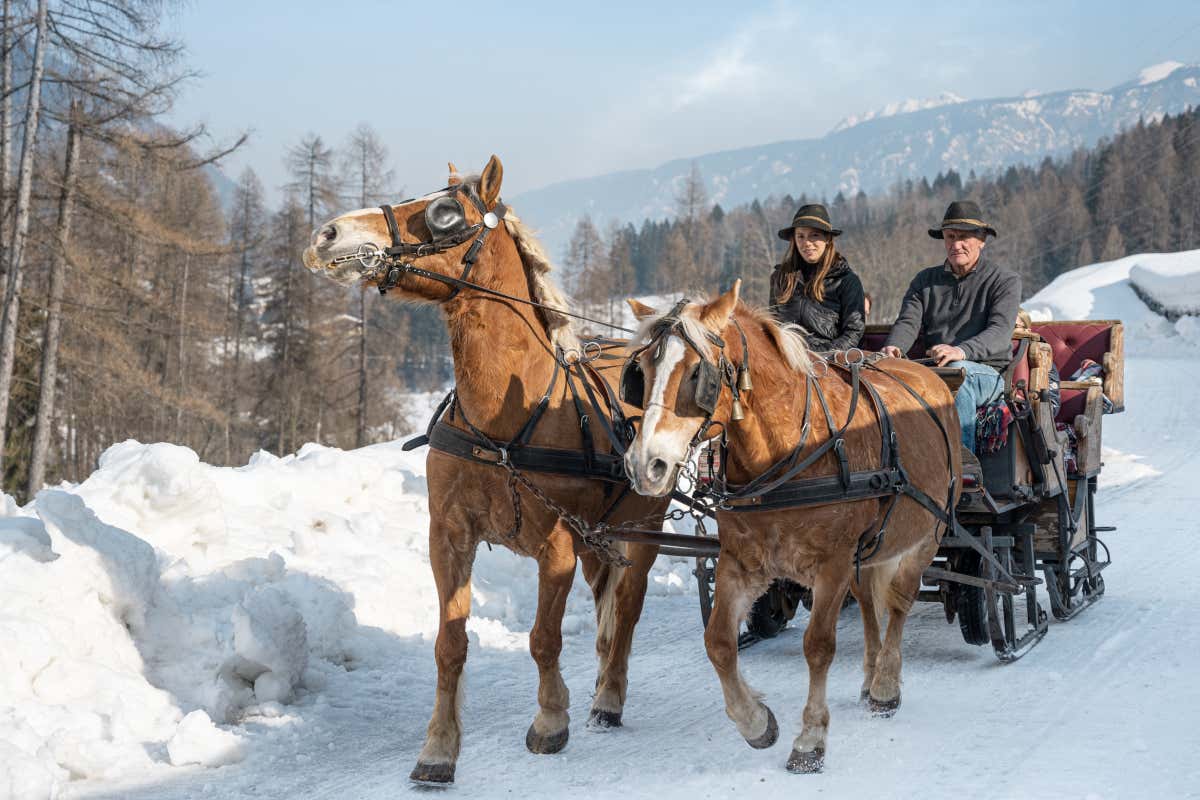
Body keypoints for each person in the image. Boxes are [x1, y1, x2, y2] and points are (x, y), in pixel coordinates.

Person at [881, 200, 1021, 452]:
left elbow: (1000, 333)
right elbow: (908, 321)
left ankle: (962, 464)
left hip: (987, 373)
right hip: (934, 369)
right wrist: (893, 348)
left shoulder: (1004, 281)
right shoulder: (925, 281)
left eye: (964, 237)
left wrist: (961, 351)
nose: (956, 245)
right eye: (950, 236)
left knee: (957, 375)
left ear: (982, 240)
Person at [769, 203, 865, 352]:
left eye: (814, 235)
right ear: (794, 240)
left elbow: (853, 332)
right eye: (800, 236)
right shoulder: (780, 278)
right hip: (785, 361)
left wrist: (821, 356)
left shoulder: (846, 281)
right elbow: (772, 325)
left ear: (827, 239)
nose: (807, 243)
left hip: (828, 364)